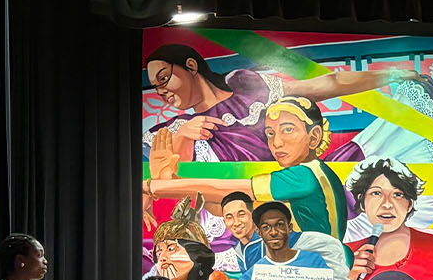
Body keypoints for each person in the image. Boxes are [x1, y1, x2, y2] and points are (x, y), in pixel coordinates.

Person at [143, 44, 420, 163]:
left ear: (191, 66)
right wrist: (182, 139)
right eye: (156, 87)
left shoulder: (245, 86)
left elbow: (329, 84)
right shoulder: (172, 131)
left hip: (291, 197)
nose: (162, 91)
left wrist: (391, 74)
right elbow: (165, 182)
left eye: (164, 78)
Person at [147, 96, 349, 240]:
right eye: (270, 133)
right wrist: (168, 178)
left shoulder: (303, 176)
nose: (276, 142)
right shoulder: (303, 175)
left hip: (319, 273)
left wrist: (155, 185)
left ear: (313, 136)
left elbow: (221, 190)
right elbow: (221, 203)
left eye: (288, 130)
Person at [237, 201, 331, 280]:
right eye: (266, 227)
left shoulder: (314, 261)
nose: (273, 232)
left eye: (279, 225)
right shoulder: (249, 278)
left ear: (289, 228)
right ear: (259, 232)